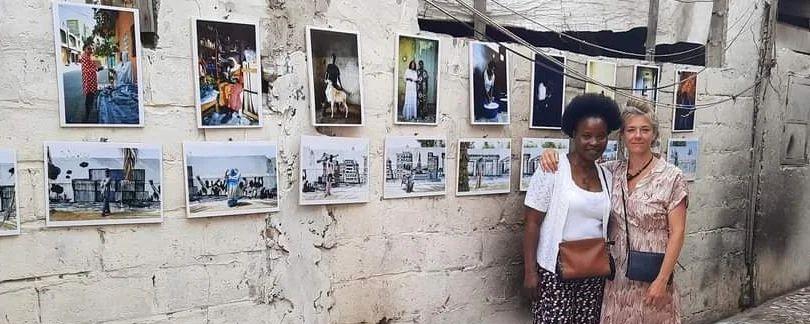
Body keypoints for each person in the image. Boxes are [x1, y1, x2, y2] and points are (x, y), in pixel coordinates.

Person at [539, 99, 689, 324]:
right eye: (631, 130)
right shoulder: (611, 171)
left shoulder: (671, 176)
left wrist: (662, 279)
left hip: (652, 276)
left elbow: (678, 232)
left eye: (645, 130)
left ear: (654, 134)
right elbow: (579, 161)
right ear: (622, 136)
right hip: (615, 279)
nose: (637, 136)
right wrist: (549, 153)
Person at [523, 93, 622, 324]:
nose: (594, 143)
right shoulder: (553, 170)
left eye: (601, 136)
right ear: (574, 134)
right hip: (555, 272)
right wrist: (530, 272)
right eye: (587, 136)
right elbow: (531, 222)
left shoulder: (607, 176)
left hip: (593, 271)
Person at [79, 43, 99, 123]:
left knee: (91, 97)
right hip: (88, 81)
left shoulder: (89, 57)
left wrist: (97, 68)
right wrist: (96, 69)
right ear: (84, 49)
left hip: (92, 80)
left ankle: (89, 113)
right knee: (89, 98)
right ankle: (87, 116)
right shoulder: (84, 57)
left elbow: (93, 66)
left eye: (91, 49)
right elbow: (86, 70)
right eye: (88, 49)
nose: (90, 50)